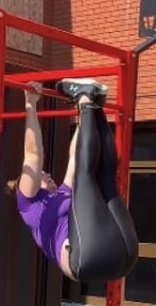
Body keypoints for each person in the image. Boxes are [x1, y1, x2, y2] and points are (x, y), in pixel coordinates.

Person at [9, 78, 138, 283]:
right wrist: (30, 104)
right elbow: (33, 154)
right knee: (86, 177)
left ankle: (94, 106)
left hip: (124, 255)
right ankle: (86, 99)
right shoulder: (29, 204)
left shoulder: (62, 194)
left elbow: (75, 158)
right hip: (84, 258)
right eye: (43, 175)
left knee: (104, 179)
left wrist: (83, 119)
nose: (48, 175)